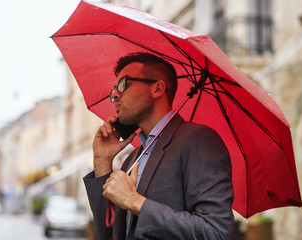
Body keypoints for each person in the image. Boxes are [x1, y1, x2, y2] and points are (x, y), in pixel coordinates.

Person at [83, 52, 234, 240]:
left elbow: (215, 231)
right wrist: (102, 160)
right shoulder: (133, 157)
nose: (114, 95)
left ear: (157, 89)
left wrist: (134, 201)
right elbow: (108, 235)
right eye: (114, 88)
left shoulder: (198, 140)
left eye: (123, 84)